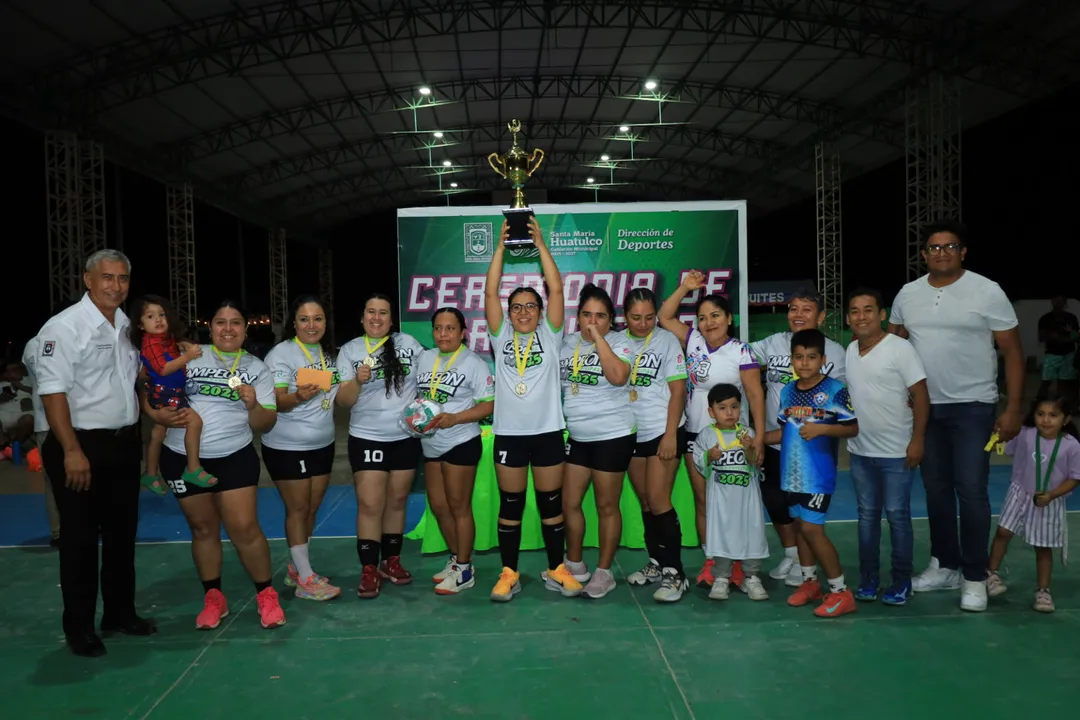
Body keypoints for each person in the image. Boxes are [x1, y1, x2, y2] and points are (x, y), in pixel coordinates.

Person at [888, 219, 1023, 612]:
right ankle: (945, 564)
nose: (941, 253)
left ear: (963, 252)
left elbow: (1013, 351)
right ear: (923, 254)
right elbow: (892, 347)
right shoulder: (908, 294)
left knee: (972, 490)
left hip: (973, 407)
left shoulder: (987, 291)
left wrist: (1013, 407)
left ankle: (975, 576)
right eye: (934, 247)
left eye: (949, 247)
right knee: (936, 490)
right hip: (925, 408)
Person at [35, 249, 155, 657]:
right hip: (80, 444)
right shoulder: (64, 327)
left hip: (122, 443)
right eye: (106, 278)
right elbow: (53, 393)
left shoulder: (124, 325)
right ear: (88, 279)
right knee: (80, 540)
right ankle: (80, 628)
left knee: (122, 536)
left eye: (122, 279)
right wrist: (71, 450)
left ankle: (120, 613)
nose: (115, 286)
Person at [151, 300, 285, 630]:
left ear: (245, 328)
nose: (228, 329)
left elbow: (266, 423)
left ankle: (266, 594)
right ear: (209, 327)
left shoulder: (256, 367)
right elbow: (149, 383)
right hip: (181, 456)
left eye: (236, 322)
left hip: (234, 456)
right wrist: (155, 413)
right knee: (203, 528)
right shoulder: (188, 354)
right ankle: (214, 597)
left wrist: (253, 404)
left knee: (244, 528)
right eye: (221, 322)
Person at [484, 218, 581, 602]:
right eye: (517, 307)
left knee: (551, 507)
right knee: (511, 507)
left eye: (531, 306)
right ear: (509, 314)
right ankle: (509, 571)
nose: (524, 312)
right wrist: (498, 250)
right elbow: (491, 293)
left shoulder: (552, 336)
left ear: (541, 313)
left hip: (546, 432)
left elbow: (556, 287)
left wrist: (541, 245)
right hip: (508, 433)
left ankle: (556, 568)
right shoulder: (500, 335)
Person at [658, 269, 765, 589]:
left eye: (715, 315)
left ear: (729, 318)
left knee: (734, 502)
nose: (709, 323)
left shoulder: (741, 351)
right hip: (697, 435)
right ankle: (712, 560)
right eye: (702, 318)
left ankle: (737, 564)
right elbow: (665, 316)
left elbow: (756, 394)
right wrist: (685, 287)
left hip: (735, 439)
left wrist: (758, 437)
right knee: (704, 501)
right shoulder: (692, 340)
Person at [750, 288, 846, 587]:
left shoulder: (837, 354)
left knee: (806, 516)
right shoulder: (773, 343)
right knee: (777, 503)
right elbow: (735, 356)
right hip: (776, 439)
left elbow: (845, 406)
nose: (798, 315)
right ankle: (793, 556)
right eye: (793, 308)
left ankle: (829, 581)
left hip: (811, 449)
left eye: (807, 309)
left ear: (820, 316)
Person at [763, 329, 858, 619]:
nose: (804, 363)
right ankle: (809, 582)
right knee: (800, 527)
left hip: (818, 476)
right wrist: (757, 440)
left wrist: (822, 428)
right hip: (790, 474)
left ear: (823, 360)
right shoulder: (789, 391)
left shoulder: (834, 390)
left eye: (811, 357)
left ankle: (841, 591)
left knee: (812, 530)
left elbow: (852, 428)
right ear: (792, 359)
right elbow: (784, 431)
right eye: (799, 357)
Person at [337, 293, 425, 599]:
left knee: (397, 501)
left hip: (405, 437)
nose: (377, 318)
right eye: (371, 312)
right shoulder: (350, 351)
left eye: (383, 313)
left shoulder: (409, 344)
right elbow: (344, 401)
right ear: (362, 318)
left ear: (391, 319)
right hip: (367, 436)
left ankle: (391, 561)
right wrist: (357, 382)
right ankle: (369, 568)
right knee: (371, 504)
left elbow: (426, 380)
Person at [845, 288, 929, 606]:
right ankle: (868, 579)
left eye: (868, 309)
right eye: (855, 310)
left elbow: (921, 395)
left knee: (897, 516)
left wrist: (917, 440)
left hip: (897, 453)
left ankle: (901, 580)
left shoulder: (900, 349)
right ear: (849, 317)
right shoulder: (851, 350)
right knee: (867, 517)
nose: (861, 316)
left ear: (882, 314)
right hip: (860, 452)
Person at [261, 295, 342, 601]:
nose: (312, 325)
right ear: (294, 323)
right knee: (297, 509)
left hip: (323, 444)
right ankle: (306, 580)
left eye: (318, 318)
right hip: (287, 446)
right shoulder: (281, 354)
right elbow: (276, 400)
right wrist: (298, 396)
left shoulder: (328, 355)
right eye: (305, 319)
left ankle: (299, 567)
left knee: (310, 508)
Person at [560, 284, 635, 599]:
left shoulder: (622, 342)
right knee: (570, 502)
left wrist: (600, 339)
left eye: (600, 316)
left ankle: (604, 572)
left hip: (612, 435)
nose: (592, 322)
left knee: (606, 505)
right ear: (577, 317)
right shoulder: (566, 344)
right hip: (578, 437)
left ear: (611, 320)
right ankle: (575, 565)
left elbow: (618, 377)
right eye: (586, 315)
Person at [416, 307, 495, 595]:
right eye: (438, 328)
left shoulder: (473, 363)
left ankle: (464, 569)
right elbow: (420, 395)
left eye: (450, 328)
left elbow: (488, 404)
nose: (443, 334)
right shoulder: (425, 358)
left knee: (459, 506)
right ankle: (458, 559)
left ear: (463, 332)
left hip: (461, 440)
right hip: (431, 442)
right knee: (439, 505)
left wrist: (455, 418)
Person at [622, 287, 691, 602]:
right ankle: (657, 562)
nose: (643, 323)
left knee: (659, 501)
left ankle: (676, 573)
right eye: (636, 317)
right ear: (625, 316)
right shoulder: (617, 341)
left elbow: (679, 391)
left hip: (662, 430)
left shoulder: (665, 340)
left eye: (649, 317)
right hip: (629, 433)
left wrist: (670, 435)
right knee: (646, 503)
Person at [987, 395, 1079, 613]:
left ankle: (1043, 591)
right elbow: (1001, 445)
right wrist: (995, 436)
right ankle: (991, 574)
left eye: (1053, 415)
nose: (1045, 420)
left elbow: (1074, 478)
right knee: (1002, 532)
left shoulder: (1072, 446)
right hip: (1019, 492)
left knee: (1042, 547)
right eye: (1040, 414)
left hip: (1049, 500)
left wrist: (1052, 494)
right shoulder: (1025, 435)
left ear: (1065, 419)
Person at [131, 295, 216, 496]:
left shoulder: (162, 339)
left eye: (162, 315)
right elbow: (162, 368)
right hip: (166, 394)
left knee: (158, 432)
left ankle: (150, 474)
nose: (158, 319)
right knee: (195, 423)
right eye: (150, 316)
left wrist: (182, 345)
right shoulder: (150, 344)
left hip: (169, 391)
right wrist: (187, 357)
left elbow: (171, 348)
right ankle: (193, 468)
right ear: (140, 324)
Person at [692, 384, 769, 602]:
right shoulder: (707, 436)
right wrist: (709, 456)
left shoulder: (748, 433)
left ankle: (752, 577)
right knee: (721, 535)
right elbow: (700, 464)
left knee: (751, 534)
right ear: (711, 412)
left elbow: (755, 464)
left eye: (734, 407)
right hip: (721, 502)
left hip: (747, 502)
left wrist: (749, 448)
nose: (729, 413)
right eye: (722, 408)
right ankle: (721, 578)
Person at [21, 336, 60, 547]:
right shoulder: (36, 344)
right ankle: (59, 531)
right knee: (54, 480)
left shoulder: (32, 344)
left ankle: (82, 525)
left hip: (80, 423)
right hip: (48, 423)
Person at [1037, 295, 1078, 401]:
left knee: (1064, 381)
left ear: (1065, 302)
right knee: (1046, 381)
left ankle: (1060, 402)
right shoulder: (1046, 318)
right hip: (1052, 354)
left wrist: (1064, 339)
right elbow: (1041, 338)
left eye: (1061, 300)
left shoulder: (1071, 318)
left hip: (1068, 354)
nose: (1058, 302)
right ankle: (1039, 403)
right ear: (1052, 301)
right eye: (1056, 300)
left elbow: (1075, 336)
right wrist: (1051, 336)